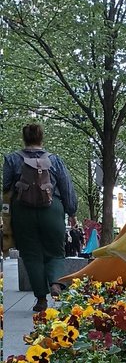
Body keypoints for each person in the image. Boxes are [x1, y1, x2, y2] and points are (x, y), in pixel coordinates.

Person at [3, 122, 78, 312]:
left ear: (24, 138)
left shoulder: (12, 159)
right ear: (41, 137)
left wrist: (6, 216)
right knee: (56, 252)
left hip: (23, 212)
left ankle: (41, 299)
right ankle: (55, 283)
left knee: (31, 255)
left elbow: (5, 189)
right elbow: (66, 187)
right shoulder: (55, 160)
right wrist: (71, 212)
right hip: (52, 209)